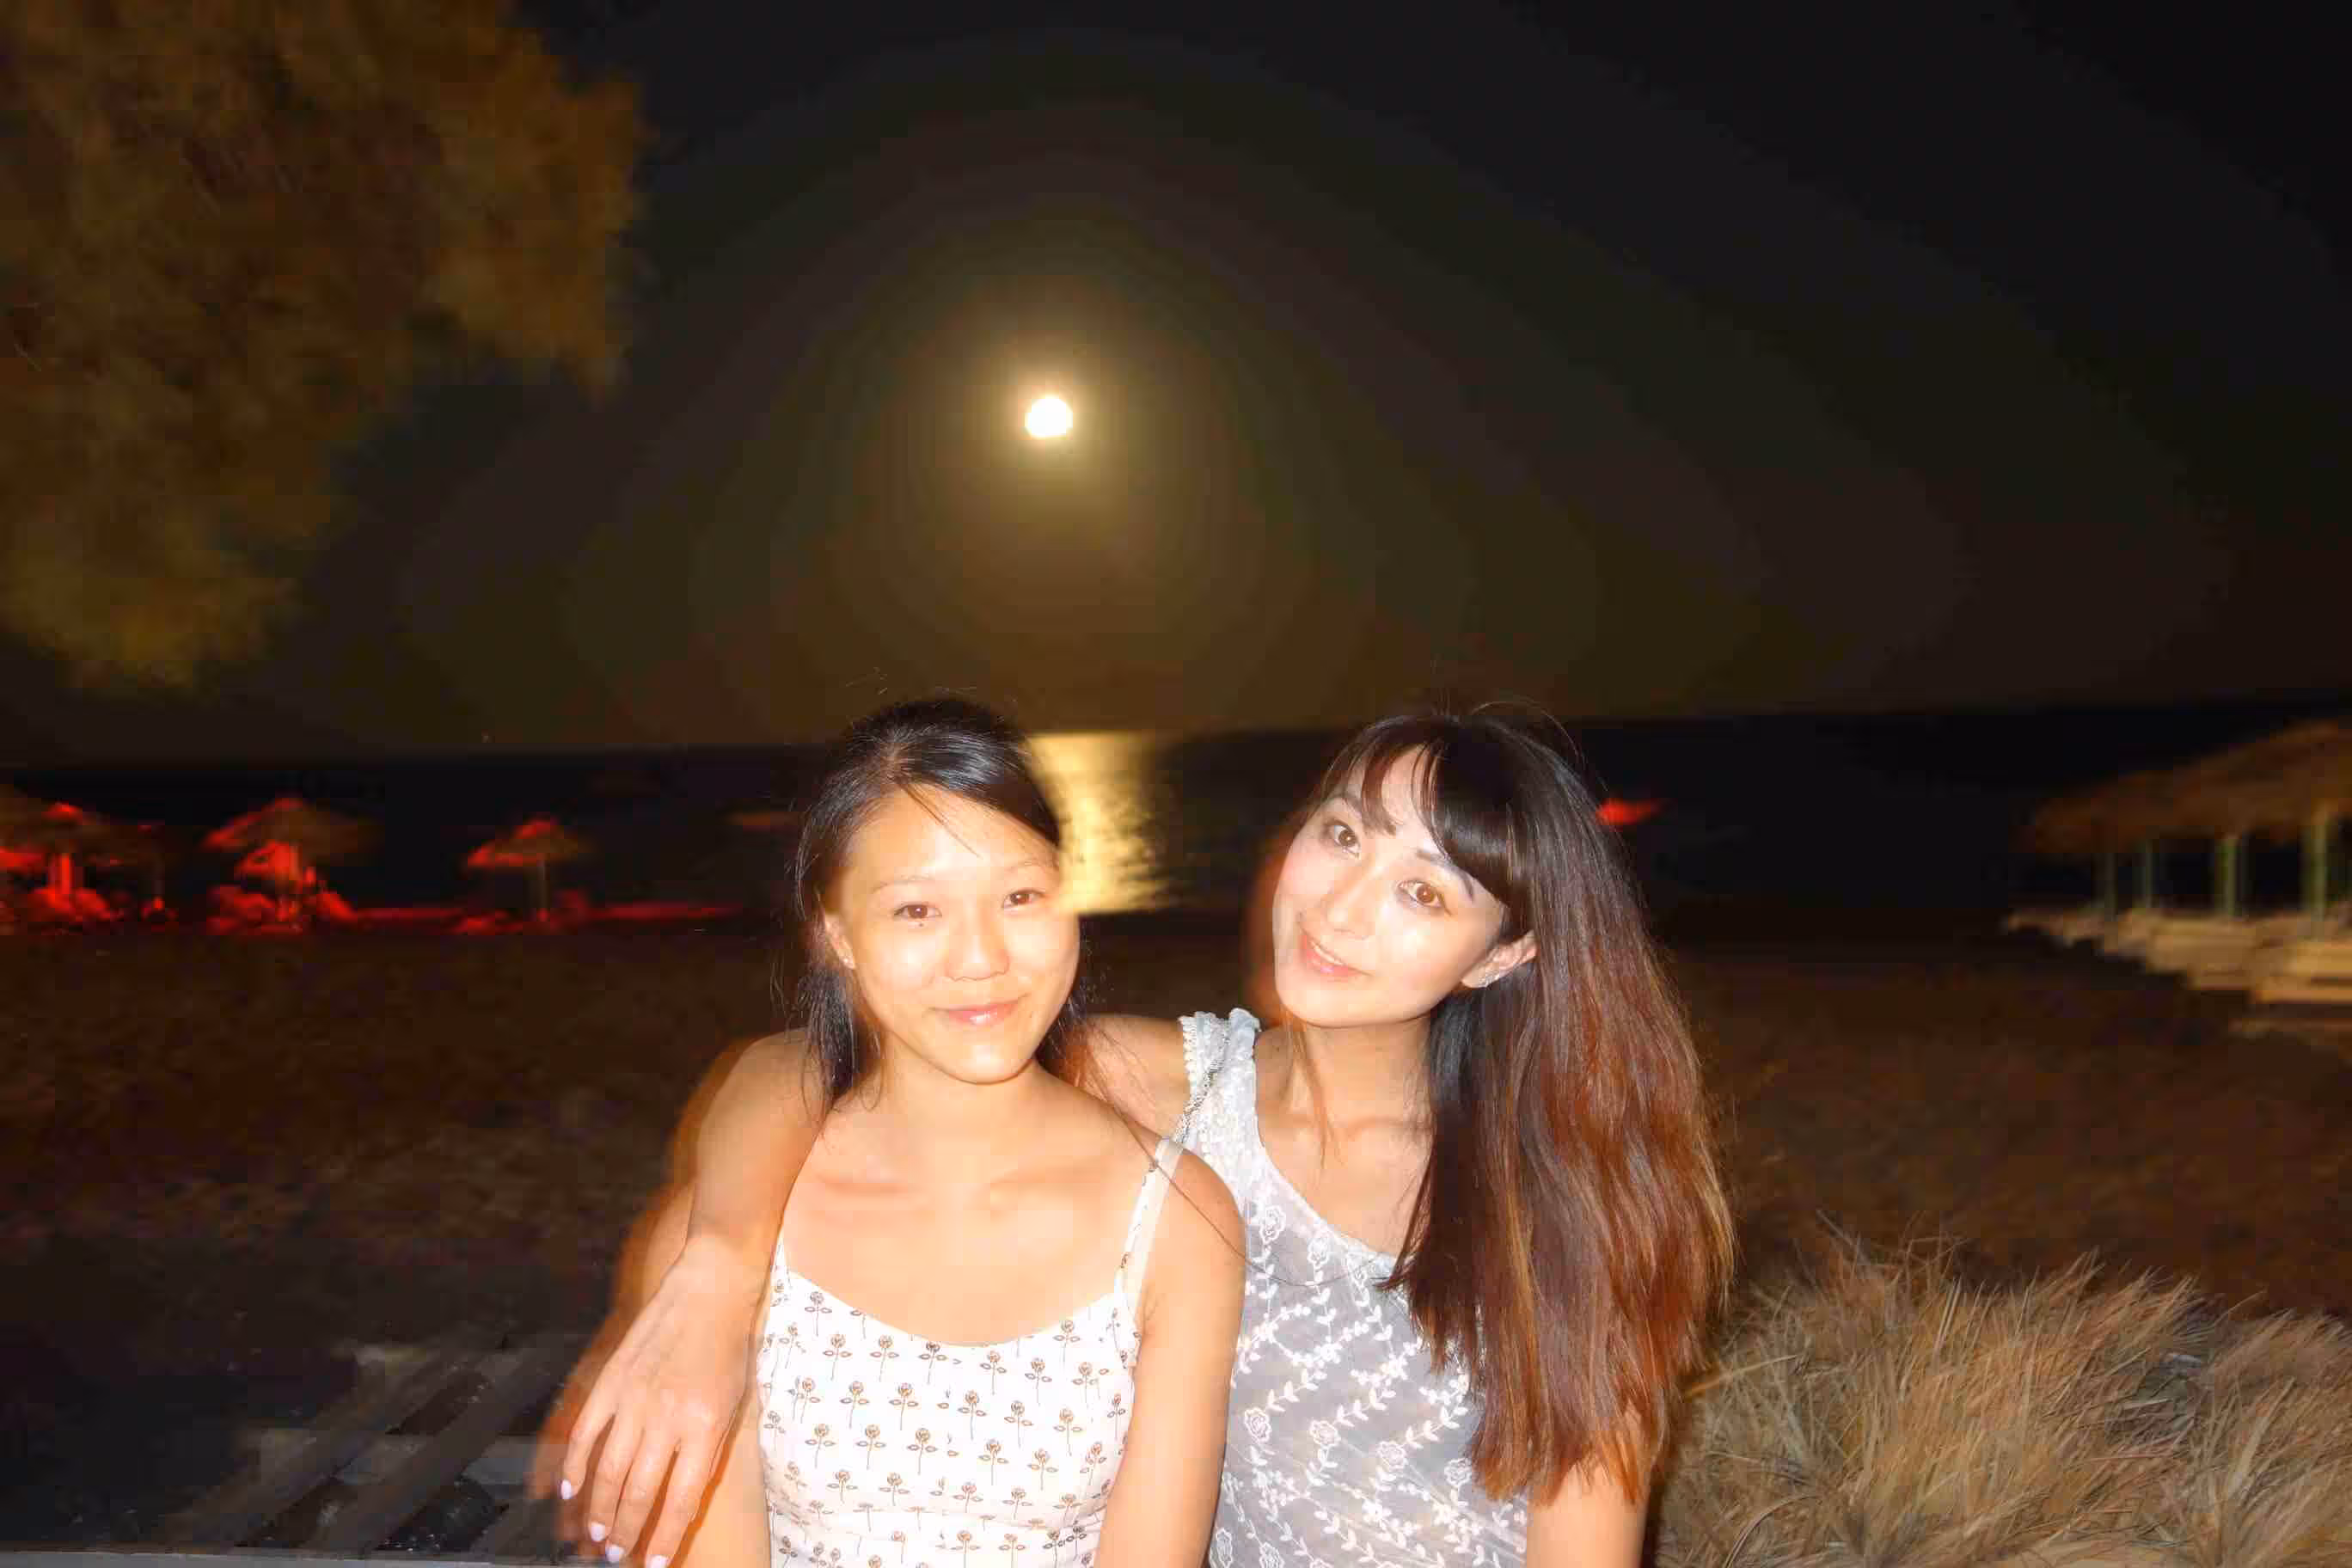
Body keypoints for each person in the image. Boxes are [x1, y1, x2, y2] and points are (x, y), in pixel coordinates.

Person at [566, 706, 1731, 1568]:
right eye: (1343, 835)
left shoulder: (1560, 1203)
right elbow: (816, 1067)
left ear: (1505, 953)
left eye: (1423, 893)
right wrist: (715, 1269)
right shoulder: (1178, 1089)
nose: (1340, 908)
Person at [581, 698, 1243, 1568]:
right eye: (917, 911)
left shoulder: (1176, 1222)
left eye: (1021, 896)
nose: (981, 959)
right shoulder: (733, 1236)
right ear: (837, 934)